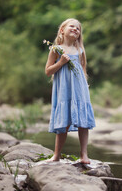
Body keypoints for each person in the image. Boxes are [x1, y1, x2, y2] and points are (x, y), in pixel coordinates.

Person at [45, 18, 96, 164]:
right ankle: (56, 155)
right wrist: (60, 63)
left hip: (79, 89)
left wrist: (84, 85)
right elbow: (48, 71)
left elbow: (82, 69)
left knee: (83, 120)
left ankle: (84, 154)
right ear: (62, 30)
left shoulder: (80, 50)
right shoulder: (56, 49)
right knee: (63, 120)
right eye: (71, 26)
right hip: (64, 90)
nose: (75, 29)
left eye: (78, 28)